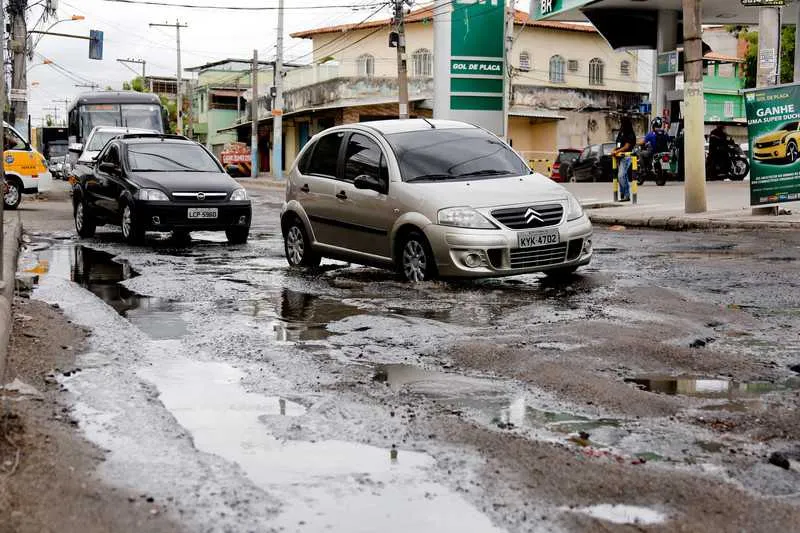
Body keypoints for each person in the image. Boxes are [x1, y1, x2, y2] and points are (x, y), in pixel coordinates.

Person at [611, 116, 636, 202]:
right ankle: (623, 193)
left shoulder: (630, 133)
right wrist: (614, 150)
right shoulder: (621, 132)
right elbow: (618, 144)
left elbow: (627, 146)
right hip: (619, 157)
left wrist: (618, 151)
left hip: (626, 156)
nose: (620, 124)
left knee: (621, 175)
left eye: (621, 122)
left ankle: (627, 195)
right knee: (622, 176)